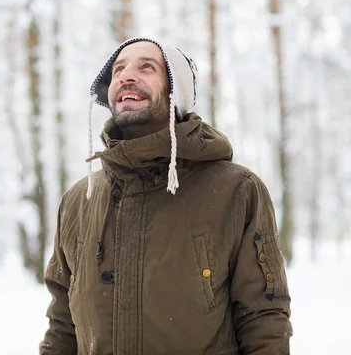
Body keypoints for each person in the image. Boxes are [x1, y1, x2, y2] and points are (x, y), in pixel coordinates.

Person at [39, 37, 293, 354]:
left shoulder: (236, 191)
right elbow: (62, 325)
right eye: (119, 69)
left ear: (177, 93)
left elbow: (264, 321)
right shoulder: (80, 200)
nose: (126, 76)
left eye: (147, 67)